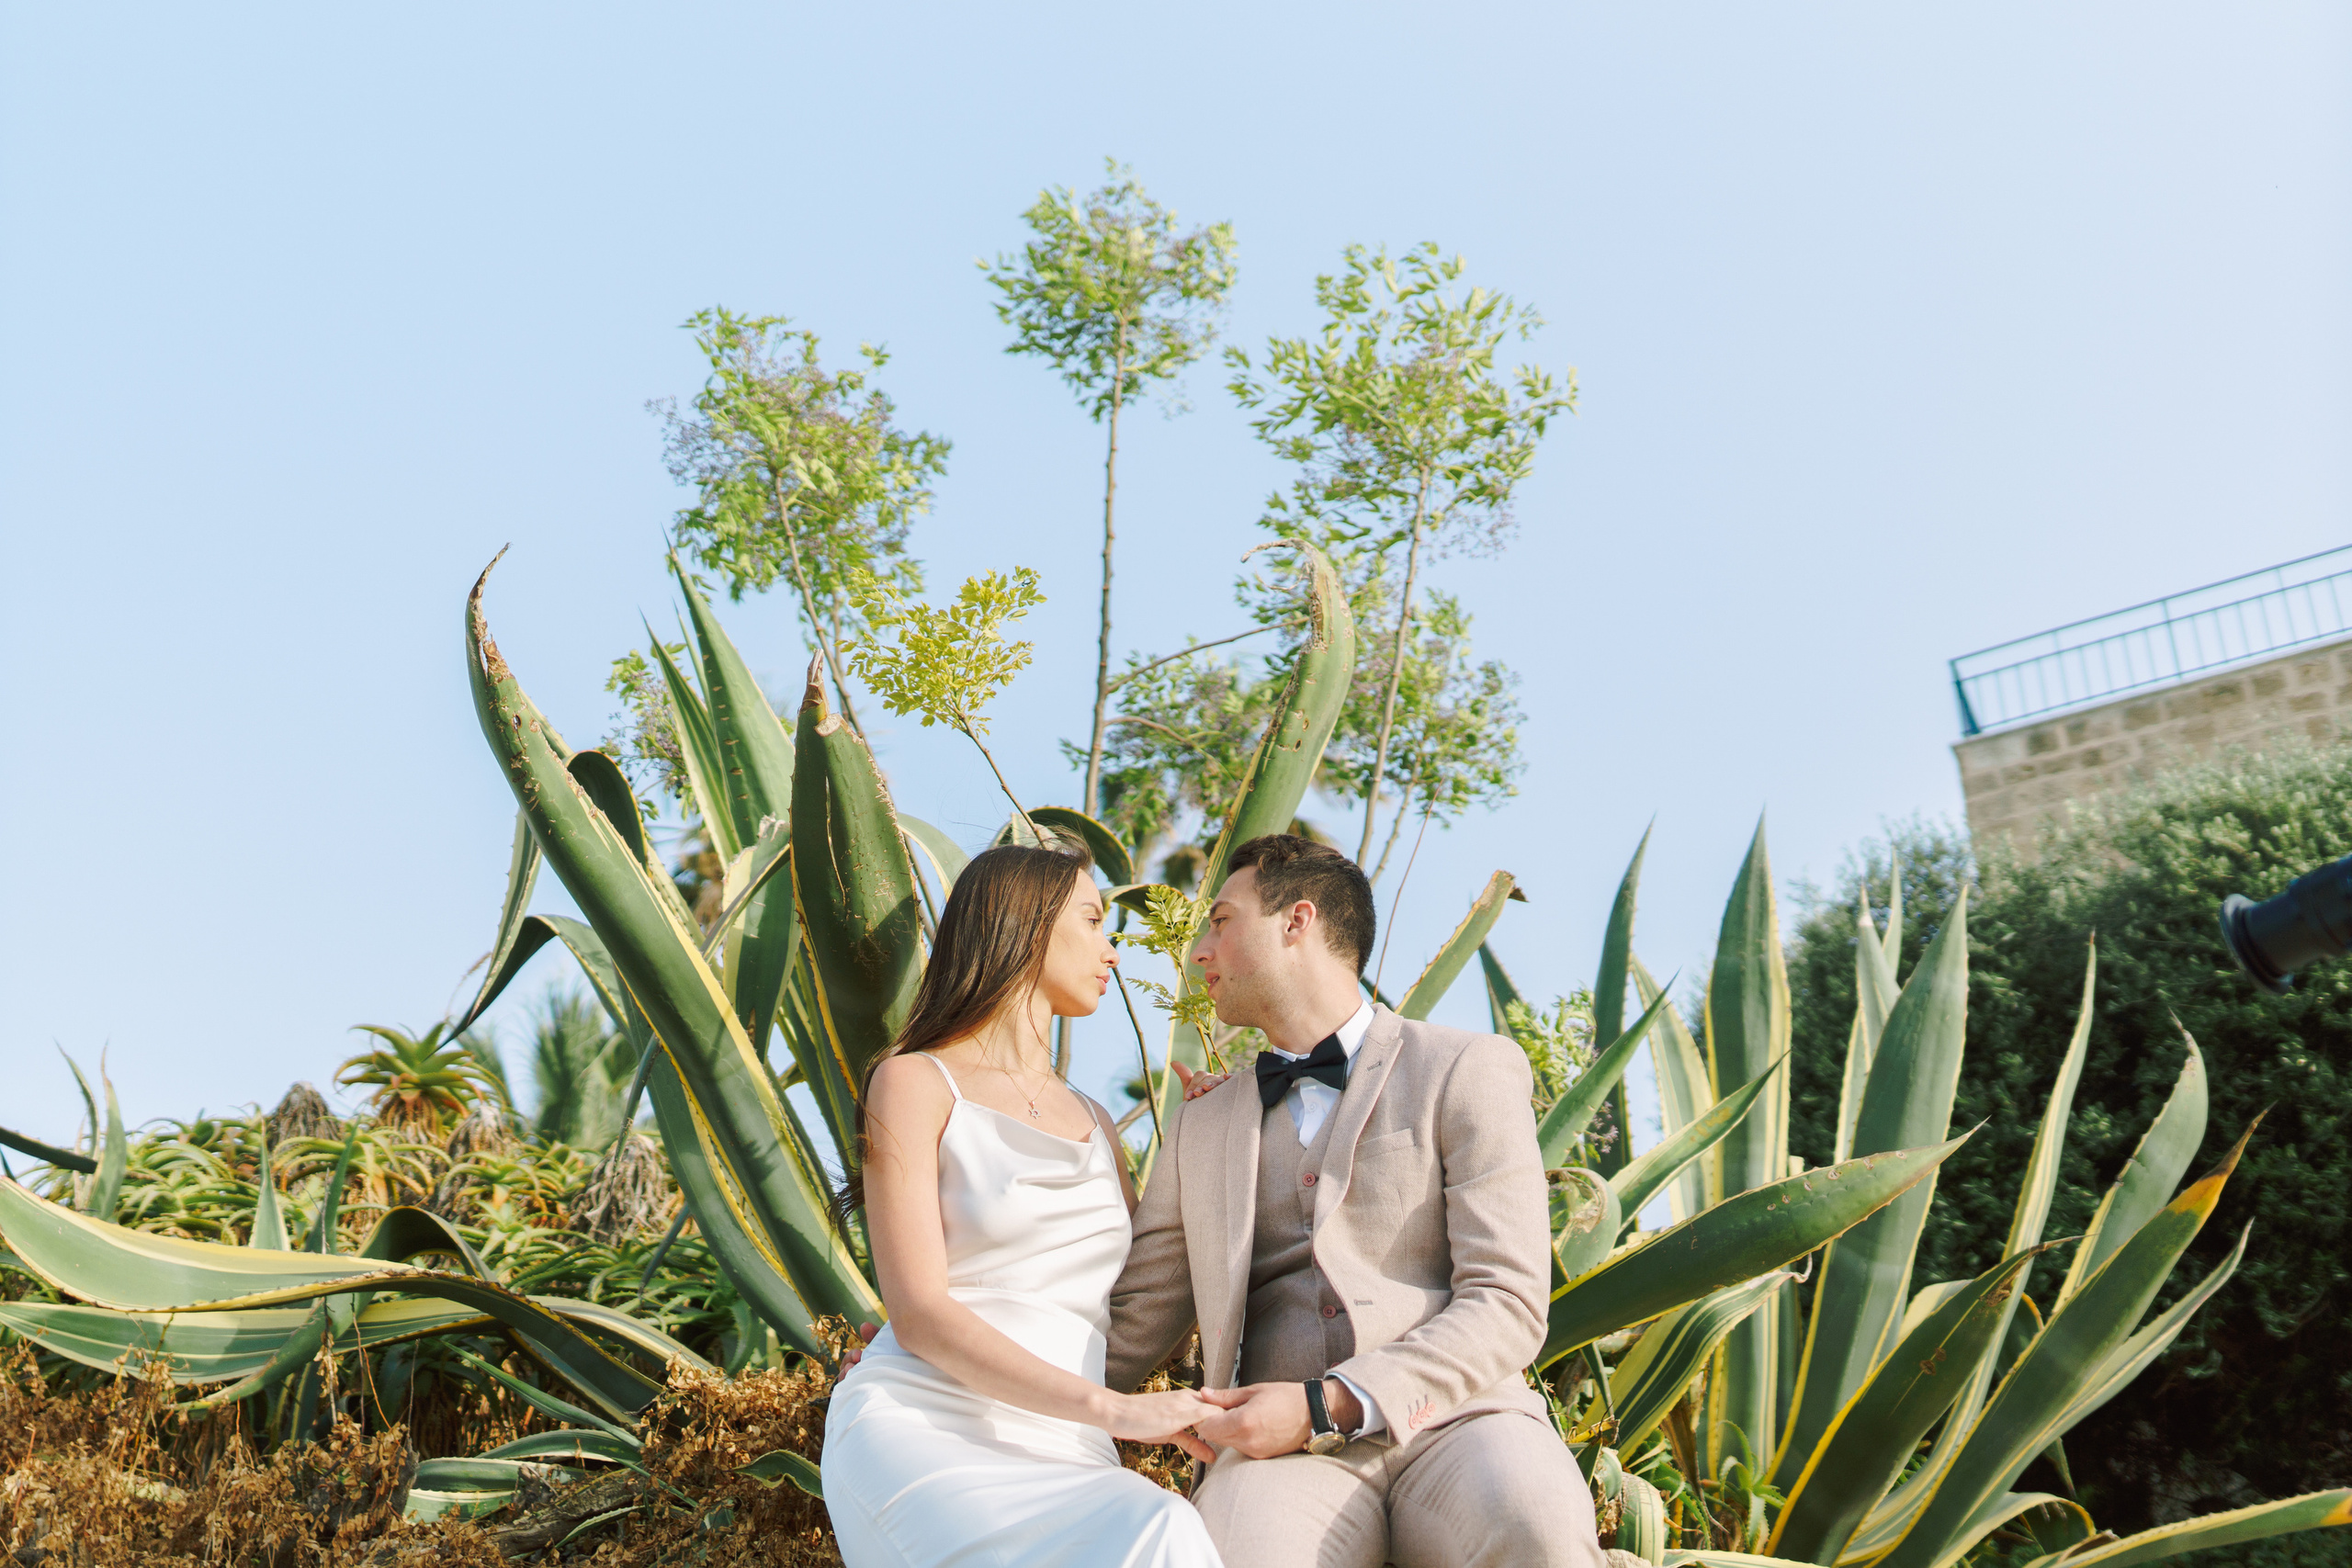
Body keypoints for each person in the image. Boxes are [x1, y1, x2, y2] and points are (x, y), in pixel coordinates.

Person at [1107, 833, 1605, 1568]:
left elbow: (1508, 1298)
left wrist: (1327, 1402)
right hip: (1279, 1456)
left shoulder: (1466, 1068)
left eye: (1220, 921)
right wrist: (936, 1377)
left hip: (1462, 1420)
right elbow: (1132, 1325)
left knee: (1536, 1528)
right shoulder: (1200, 1125)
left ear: (1296, 921)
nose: (1199, 952)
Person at [821, 843, 1225, 1568]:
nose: (1112, 950)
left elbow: (1146, 1291)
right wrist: (1121, 1412)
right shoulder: (914, 1083)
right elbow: (919, 1311)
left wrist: (1211, 1137)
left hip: (1068, 1446)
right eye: (1095, 919)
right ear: (1027, 923)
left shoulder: (1099, 1122)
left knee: (1164, 1527)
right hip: (925, 1426)